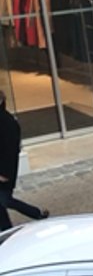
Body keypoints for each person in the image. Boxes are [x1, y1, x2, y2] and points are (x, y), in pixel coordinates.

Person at [0, 91, 48, 230]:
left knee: (4, 199)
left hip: (4, 171)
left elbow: (11, 150)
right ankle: (6, 229)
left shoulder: (7, 122)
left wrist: (4, 173)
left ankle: (36, 213)